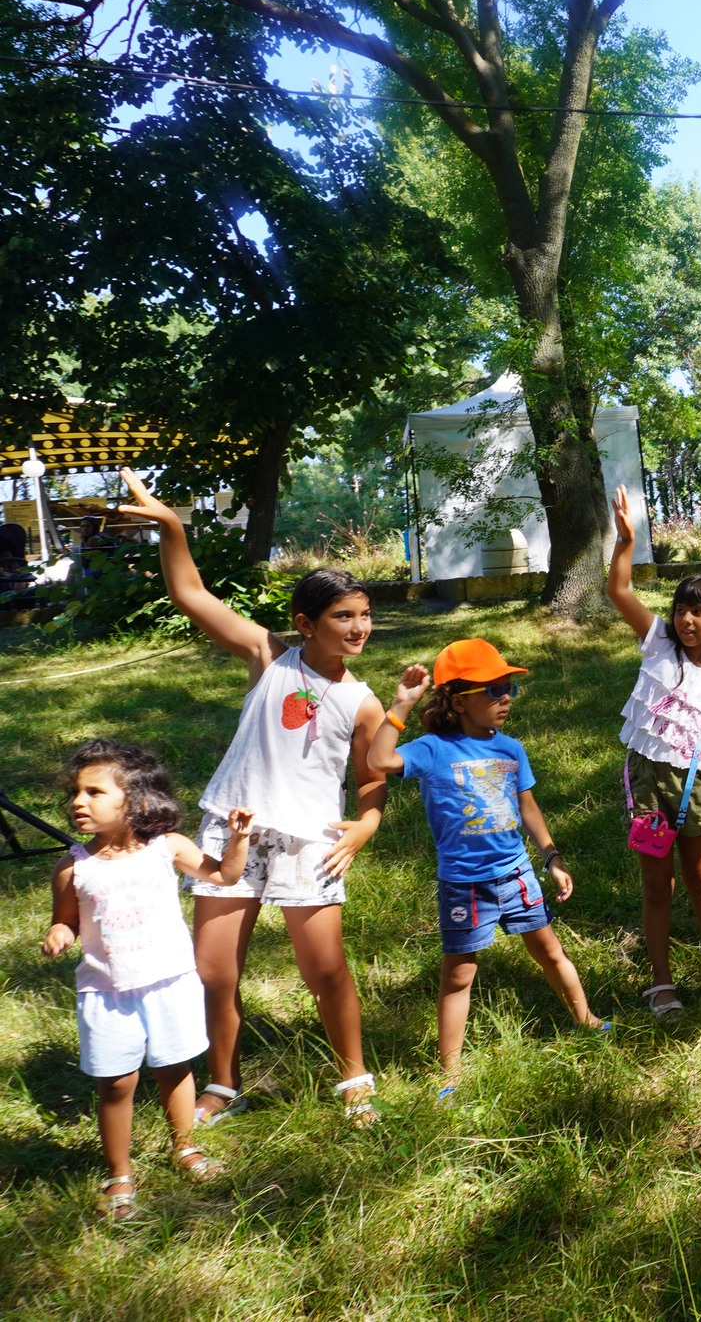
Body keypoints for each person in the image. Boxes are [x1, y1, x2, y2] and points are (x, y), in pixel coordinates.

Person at [116, 468, 386, 1128]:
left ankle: (354, 1078)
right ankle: (222, 1082)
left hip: (309, 841)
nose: (359, 627)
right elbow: (190, 594)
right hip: (233, 828)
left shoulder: (363, 701)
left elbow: (372, 777)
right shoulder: (270, 655)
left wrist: (366, 824)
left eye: (364, 615)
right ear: (305, 624)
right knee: (214, 973)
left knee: (325, 971)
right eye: (343, 616)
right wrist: (172, 526)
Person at [367, 643, 608, 1098]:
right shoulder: (432, 749)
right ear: (459, 701)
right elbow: (378, 762)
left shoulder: (510, 748)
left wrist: (551, 857)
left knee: (551, 952)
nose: (507, 697)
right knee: (459, 976)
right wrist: (400, 706)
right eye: (494, 690)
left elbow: (528, 807)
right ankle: (450, 1072)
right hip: (464, 885)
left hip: (516, 874)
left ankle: (587, 1019)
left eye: (509, 687)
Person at [42, 741, 253, 1221]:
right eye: (76, 792)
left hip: (169, 983)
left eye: (94, 792)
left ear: (136, 799)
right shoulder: (73, 867)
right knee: (117, 1084)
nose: (79, 801)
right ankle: (119, 1173)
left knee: (175, 1067)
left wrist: (238, 839)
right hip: (106, 991)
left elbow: (224, 876)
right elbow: (66, 920)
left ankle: (185, 1146)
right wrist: (59, 933)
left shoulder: (167, 847)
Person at [603, 487, 701, 1013]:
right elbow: (619, 589)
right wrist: (626, 540)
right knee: (657, 885)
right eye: (681, 610)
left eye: (699, 612)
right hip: (649, 781)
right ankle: (661, 981)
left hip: (699, 780)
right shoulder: (658, 642)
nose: (687, 620)